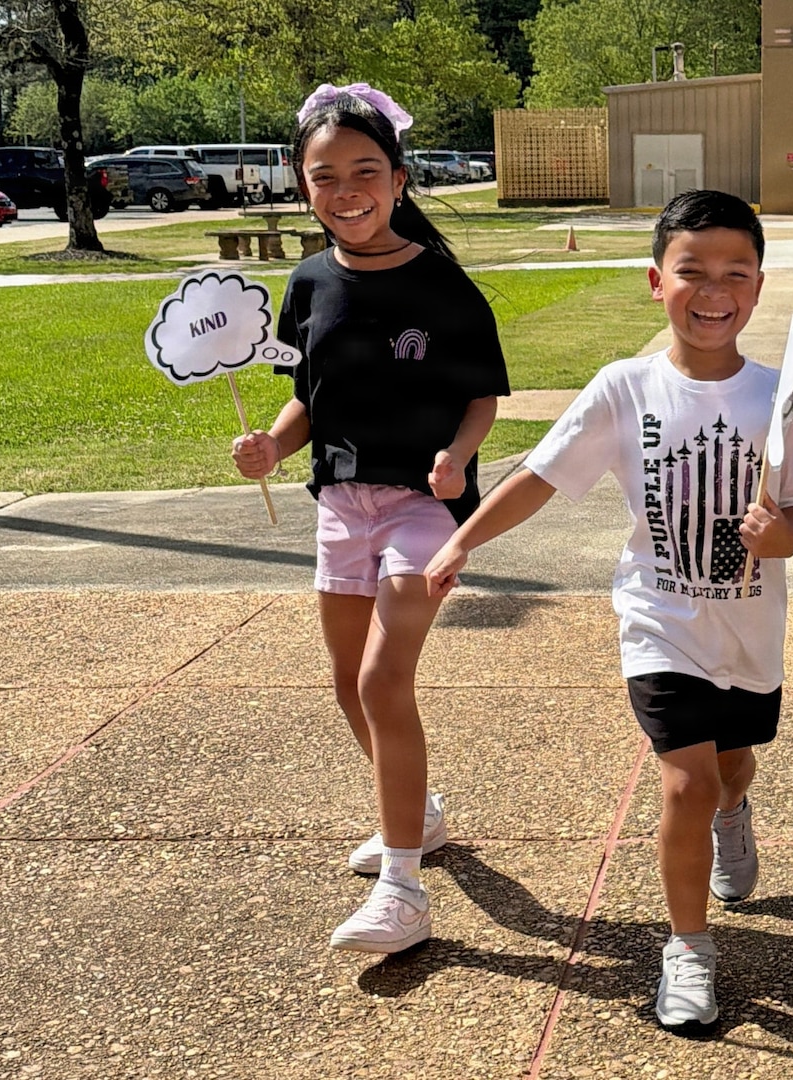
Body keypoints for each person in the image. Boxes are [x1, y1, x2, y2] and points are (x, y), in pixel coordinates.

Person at [424, 189, 793, 1031]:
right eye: (692, 271)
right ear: (656, 280)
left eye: (734, 273)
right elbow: (540, 474)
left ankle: (735, 811)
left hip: (750, 630)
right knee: (682, 778)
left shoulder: (775, 393)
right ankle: (688, 950)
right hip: (660, 623)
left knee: (731, 767)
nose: (712, 290)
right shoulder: (624, 388)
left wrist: (779, 533)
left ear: (757, 287)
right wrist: (465, 540)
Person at [230, 82, 509, 954]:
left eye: (364, 171)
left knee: (386, 682)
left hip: (426, 506)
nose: (346, 190)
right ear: (303, 184)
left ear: (397, 179)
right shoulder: (308, 282)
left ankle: (404, 891)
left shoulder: (444, 286)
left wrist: (460, 458)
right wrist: (272, 447)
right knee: (348, 684)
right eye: (325, 176)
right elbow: (304, 403)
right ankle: (416, 816)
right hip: (339, 505)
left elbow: (480, 398)